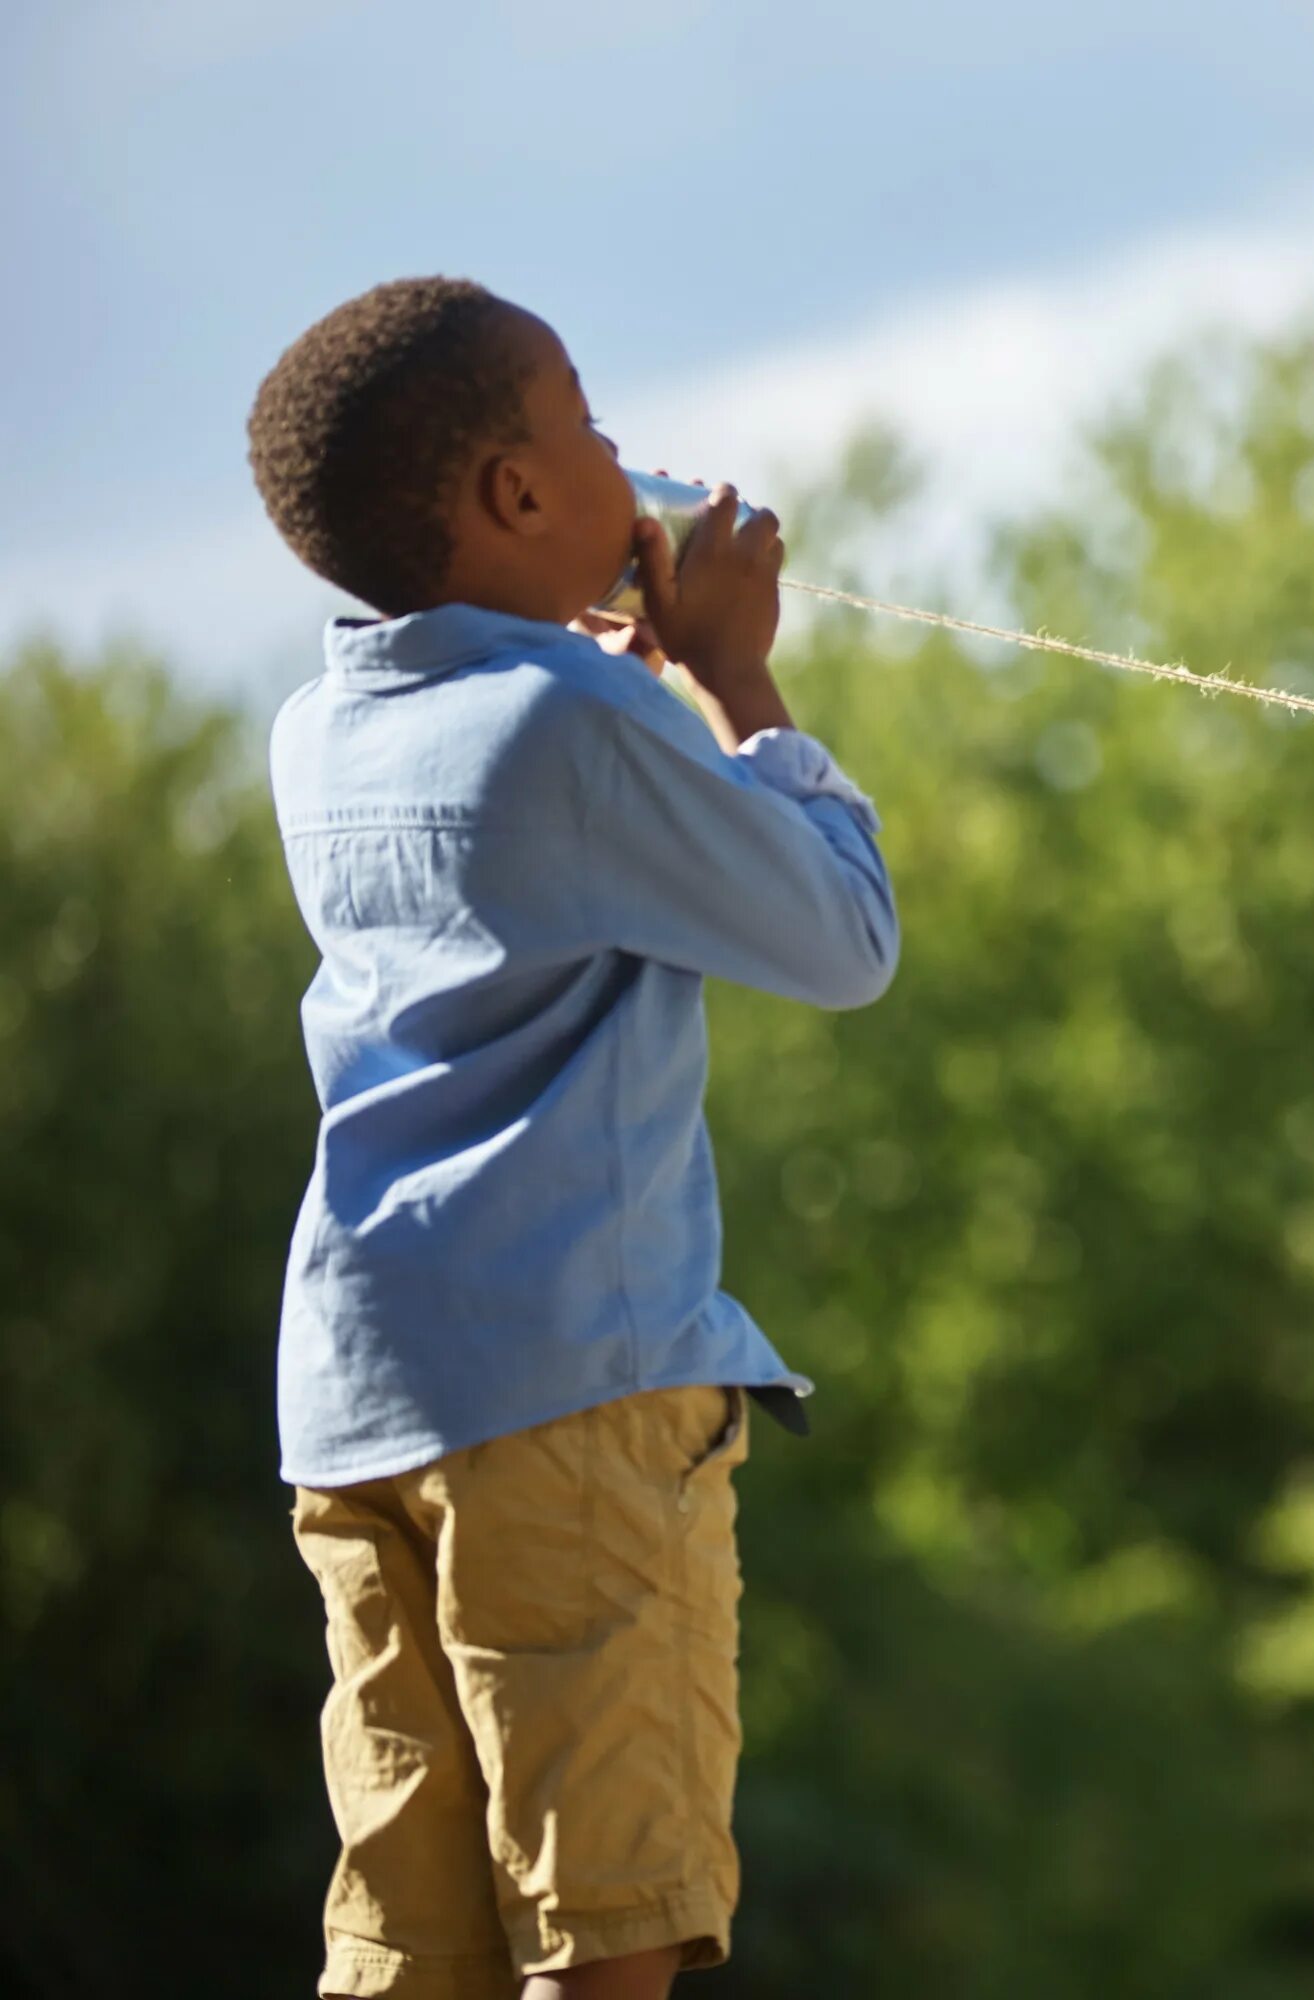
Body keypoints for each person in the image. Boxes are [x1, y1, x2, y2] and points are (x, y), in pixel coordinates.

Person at [248, 276, 900, 2000]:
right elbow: (845, 938)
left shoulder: (320, 733)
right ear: (519, 496)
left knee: (412, 1945)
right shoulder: (571, 723)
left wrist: (610, 683)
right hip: (565, 1400)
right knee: (605, 1932)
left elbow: (527, 811)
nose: (629, 461)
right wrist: (738, 685)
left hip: (361, 1407)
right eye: (592, 428)